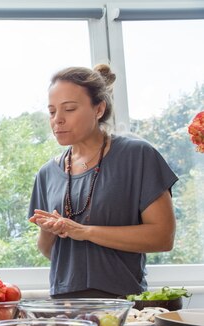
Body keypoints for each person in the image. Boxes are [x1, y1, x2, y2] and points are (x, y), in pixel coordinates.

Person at [28, 64, 178, 298]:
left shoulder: (137, 155)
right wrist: (53, 230)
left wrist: (85, 231)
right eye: (52, 111)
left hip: (123, 306)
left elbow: (163, 237)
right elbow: (48, 250)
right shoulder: (47, 173)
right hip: (65, 310)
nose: (58, 120)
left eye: (69, 109)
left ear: (99, 109)